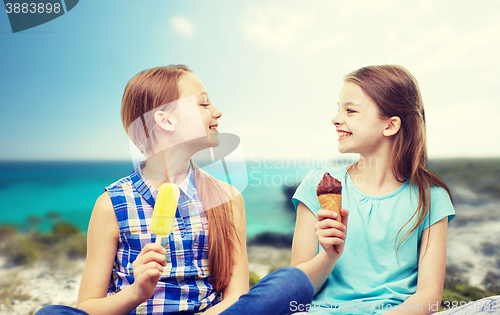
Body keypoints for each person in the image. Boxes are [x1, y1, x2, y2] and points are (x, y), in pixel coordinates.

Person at [35, 65, 313, 315]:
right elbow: (88, 307)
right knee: (50, 314)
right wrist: (136, 292)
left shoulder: (228, 199)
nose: (217, 112)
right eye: (203, 104)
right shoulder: (112, 204)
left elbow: (236, 298)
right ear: (166, 120)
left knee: (293, 282)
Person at [290, 65, 456, 314]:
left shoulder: (431, 198)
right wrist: (328, 256)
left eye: (350, 111)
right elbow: (297, 292)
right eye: (338, 109)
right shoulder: (318, 185)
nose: (336, 119)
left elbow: (429, 296)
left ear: (390, 126)